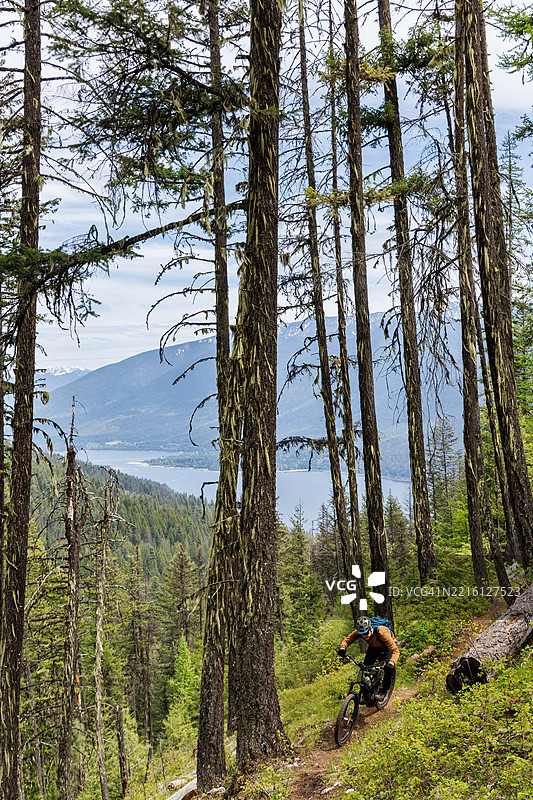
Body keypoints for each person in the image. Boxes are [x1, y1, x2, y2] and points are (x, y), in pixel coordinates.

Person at [338, 615, 399, 700]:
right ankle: (366, 692)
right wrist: (342, 648)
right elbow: (347, 640)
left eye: (366, 633)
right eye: (362, 634)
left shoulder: (382, 632)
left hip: (387, 647)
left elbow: (395, 651)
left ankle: (384, 691)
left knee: (388, 668)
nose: (365, 636)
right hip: (374, 647)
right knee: (364, 668)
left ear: (371, 628)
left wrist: (391, 663)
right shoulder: (360, 632)